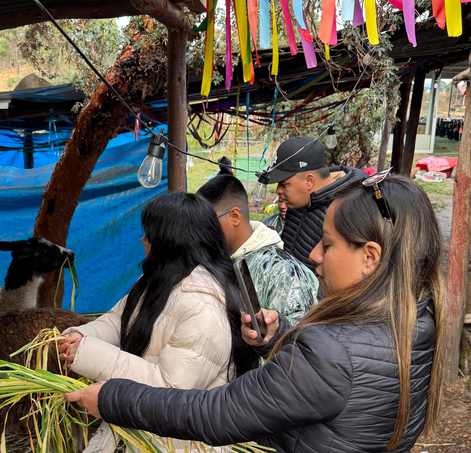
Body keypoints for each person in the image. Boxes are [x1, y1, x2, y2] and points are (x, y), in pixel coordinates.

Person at [65, 173, 446, 453]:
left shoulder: (328, 352)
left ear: (370, 257)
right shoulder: (417, 322)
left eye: (328, 244)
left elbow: (216, 414)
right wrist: (281, 338)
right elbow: (346, 374)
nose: (314, 254)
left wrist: (114, 399)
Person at [59, 192, 258, 452]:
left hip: (181, 444)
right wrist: (82, 336)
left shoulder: (203, 307)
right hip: (147, 433)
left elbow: (170, 391)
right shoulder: (159, 280)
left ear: (170, 241)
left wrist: (88, 354)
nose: (143, 239)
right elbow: (119, 320)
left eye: (149, 234)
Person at [197, 175, 319, 324]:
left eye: (209, 222)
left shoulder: (280, 270)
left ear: (235, 216)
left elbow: (298, 331)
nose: (202, 231)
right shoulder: (217, 258)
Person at [265, 137, 366, 271]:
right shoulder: (298, 202)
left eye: (284, 184)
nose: (278, 190)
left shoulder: (347, 211)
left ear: (309, 181)